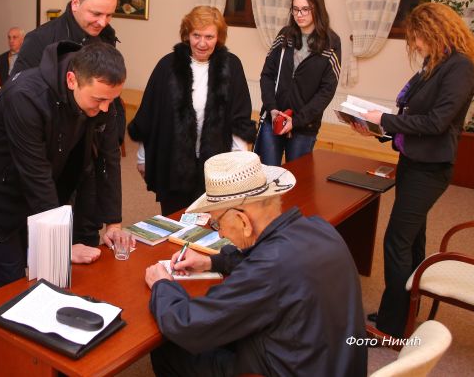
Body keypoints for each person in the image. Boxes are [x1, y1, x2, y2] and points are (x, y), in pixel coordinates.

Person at [144, 151, 367, 377]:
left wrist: (163, 285)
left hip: (288, 369)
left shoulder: (268, 268)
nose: (219, 233)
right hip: (335, 362)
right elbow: (269, 262)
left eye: (216, 223)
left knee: (169, 349)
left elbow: (187, 325)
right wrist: (211, 261)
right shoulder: (319, 228)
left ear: (243, 221)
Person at [0, 41, 135, 289]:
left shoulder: (102, 94)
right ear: (72, 80)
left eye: (111, 100)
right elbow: (36, 175)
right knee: (13, 273)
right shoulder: (25, 96)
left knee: (49, 263)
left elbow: (108, 157)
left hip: (42, 176)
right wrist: (61, 246)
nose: (106, 107)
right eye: (99, 100)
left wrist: (113, 223)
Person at [352, 2, 474, 338]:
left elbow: (436, 122)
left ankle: (391, 325)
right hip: (413, 162)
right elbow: (412, 117)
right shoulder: (436, 62)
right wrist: (378, 129)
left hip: (431, 170)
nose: (416, 45)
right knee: (413, 240)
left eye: (417, 38)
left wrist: (385, 120)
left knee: (397, 240)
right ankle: (405, 312)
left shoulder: (460, 68)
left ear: (434, 31)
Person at [128, 6, 256, 215]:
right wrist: (143, 157)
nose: (202, 43)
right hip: (173, 162)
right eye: (196, 35)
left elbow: (239, 118)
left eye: (209, 37)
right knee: (174, 219)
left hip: (217, 163)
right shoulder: (167, 66)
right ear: (187, 34)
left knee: (212, 219)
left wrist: (238, 160)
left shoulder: (232, 66)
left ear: (219, 37)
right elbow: (149, 117)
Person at [11, 0, 125, 142]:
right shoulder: (39, 39)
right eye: (96, 14)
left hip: (90, 134)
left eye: (109, 15)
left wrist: (116, 133)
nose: (103, 22)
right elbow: (18, 95)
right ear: (75, 3)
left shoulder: (106, 37)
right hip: (52, 137)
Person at [255, 0, 341, 166]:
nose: (299, 14)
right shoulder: (284, 35)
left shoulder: (331, 43)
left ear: (317, 9)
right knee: (267, 175)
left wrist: (297, 120)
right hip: (273, 119)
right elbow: (267, 75)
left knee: (297, 179)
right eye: (295, 9)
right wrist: (272, 108)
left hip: (304, 127)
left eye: (305, 9)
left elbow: (326, 92)